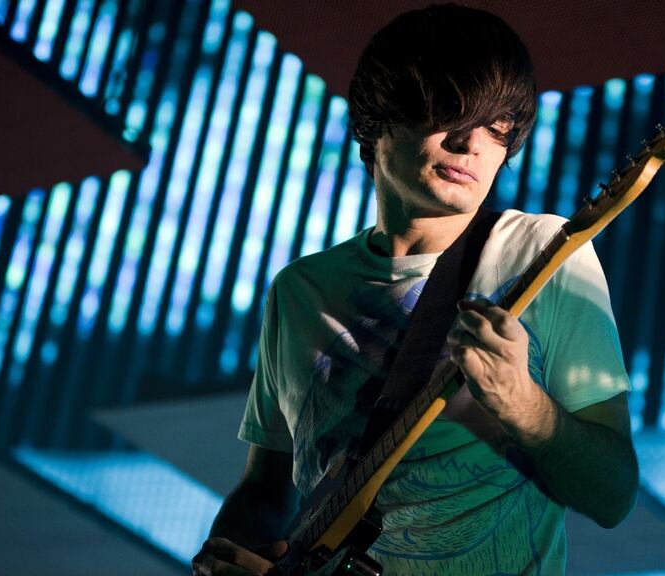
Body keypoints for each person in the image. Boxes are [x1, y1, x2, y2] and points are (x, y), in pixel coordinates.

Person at [193, 4, 639, 575]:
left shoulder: (544, 251)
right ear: (377, 120)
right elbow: (265, 490)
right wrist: (221, 557)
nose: (471, 142)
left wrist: (522, 403)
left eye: (498, 126)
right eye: (450, 110)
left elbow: (612, 496)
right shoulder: (298, 290)